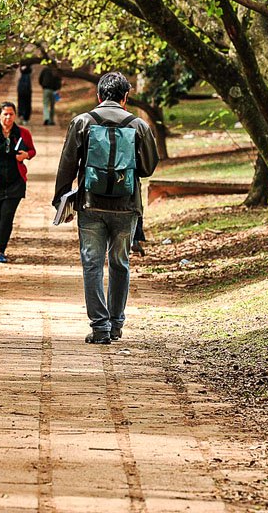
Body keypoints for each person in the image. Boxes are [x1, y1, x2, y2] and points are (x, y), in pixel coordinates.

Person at [53, 72, 159, 344]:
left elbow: (67, 164)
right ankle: (116, 323)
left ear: (99, 96)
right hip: (126, 207)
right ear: (125, 98)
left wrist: (62, 199)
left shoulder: (82, 122)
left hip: (91, 204)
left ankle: (100, 327)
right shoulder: (139, 125)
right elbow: (147, 168)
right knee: (120, 263)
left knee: (92, 264)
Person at [0, 102, 36, 263]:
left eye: (11, 114)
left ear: (15, 115)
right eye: (5, 114)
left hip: (15, 182)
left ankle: (0, 250)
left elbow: (32, 150)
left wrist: (26, 155)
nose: (8, 117)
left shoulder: (23, 133)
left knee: (7, 216)